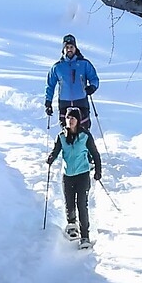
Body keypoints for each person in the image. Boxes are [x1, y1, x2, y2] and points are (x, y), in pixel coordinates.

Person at [46, 106, 103, 247]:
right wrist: (51, 158)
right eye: (68, 118)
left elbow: (95, 154)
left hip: (82, 174)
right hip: (67, 175)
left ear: (78, 120)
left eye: (73, 118)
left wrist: (98, 171)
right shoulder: (61, 137)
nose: (70, 120)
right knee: (69, 204)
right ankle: (72, 226)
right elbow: (56, 151)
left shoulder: (85, 136)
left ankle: (85, 236)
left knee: (81, 205)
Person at [43, 33, 99, 129]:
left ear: (75, 48)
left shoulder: (84, 64)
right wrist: (48, 102)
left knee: (84, 130)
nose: (69, 49)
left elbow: (94, 78)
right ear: (63, 49)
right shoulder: (57, 67)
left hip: (81, 100)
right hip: (64, 102)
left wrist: (92, 87)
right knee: (66, 131)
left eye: (72, 47)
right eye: (67, 47)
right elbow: (50, 85)